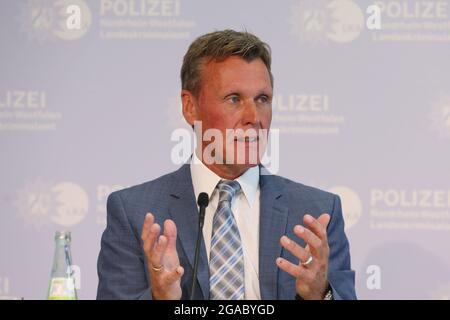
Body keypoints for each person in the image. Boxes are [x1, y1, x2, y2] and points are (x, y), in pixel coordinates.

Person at [97, 29, 356, 300]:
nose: (253, 117)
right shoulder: (134, 213)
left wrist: (319, 294)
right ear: (190, 107)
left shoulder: (316, 214)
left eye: (262, 99)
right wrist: (160, 297)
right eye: (234, 99)